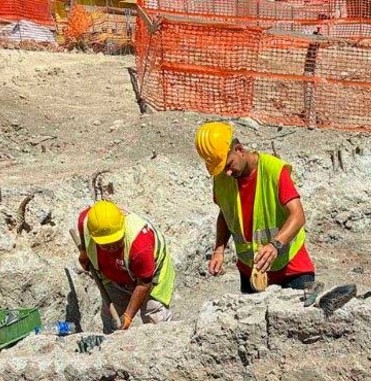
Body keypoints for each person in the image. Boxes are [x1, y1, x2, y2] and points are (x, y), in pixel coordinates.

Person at [194, 122, 315, 293]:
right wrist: (219, 250)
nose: (227, 173)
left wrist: (275, 245)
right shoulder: (223, 178)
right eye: (221, 168)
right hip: (251, 271)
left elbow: (298, 216)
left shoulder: (273, 170)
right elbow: (226, 213)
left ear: (239, 149)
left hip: (291, 269)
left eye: (228, 164)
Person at [77, 200, 175, 329]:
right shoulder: (87, 221)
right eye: (106, 245)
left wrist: (128, 316)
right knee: (112, 318)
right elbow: (82, 228)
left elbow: (144, 283)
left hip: (150, 274)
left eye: (116, 241)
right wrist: (84, 251)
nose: (112, 247)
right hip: (114, 273)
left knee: (154, 316)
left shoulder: (139, 245)